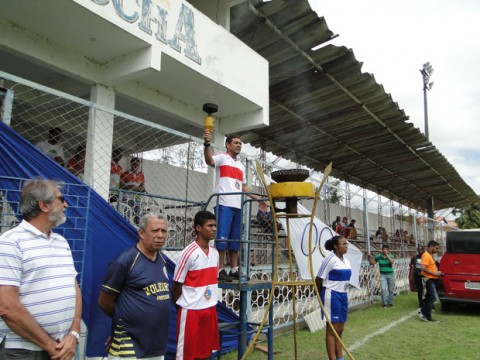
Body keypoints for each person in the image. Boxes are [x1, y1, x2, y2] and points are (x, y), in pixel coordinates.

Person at [0, 178, 82, 359]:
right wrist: (50, 346)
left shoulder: (61, 242)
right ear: (44, 205)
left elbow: (73, 287)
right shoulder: (10, 243)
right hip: (24, 352)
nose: (66, 205)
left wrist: (74, 333)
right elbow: (7, 306)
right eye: (61, 199)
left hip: (63, 347)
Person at [98, 213, 170, 359]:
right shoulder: (124, 261)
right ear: (141, 233)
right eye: (155, 230)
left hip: (156, 346)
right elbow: (104, 302)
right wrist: (124, 322)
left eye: (164, 231)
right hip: (129, 347)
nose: (160, 235)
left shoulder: (162, 259)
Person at [203, 131, 263, 280]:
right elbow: (209, 160)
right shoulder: (222, 158)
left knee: (235, 239)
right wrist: (206, 144)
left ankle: (234, 269)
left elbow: (244, 187)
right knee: (222, 239)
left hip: (237, 206)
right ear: (228, 145)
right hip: (223, 204)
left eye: (240, 144)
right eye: (236, 143)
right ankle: (219, 270)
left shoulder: (240, 165)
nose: (238, 146)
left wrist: (258, 199)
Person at [172, 210, 220, 360]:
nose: (214, 229)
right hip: (191, 311)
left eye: (215, 226)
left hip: (210, 309)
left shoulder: (215, 253)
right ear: (198, 228)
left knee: (205, 353)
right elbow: (176, 286)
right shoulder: (188, 253)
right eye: (210, 226)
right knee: (186, 355)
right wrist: (184, 305)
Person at [315, 236, 352, 360]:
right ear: (336, 246)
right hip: (332, 295)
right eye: (344, 244)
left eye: (347, 244)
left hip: (343, 295)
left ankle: (339, 357)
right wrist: (320, 296)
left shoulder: (346, 260)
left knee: (340, 330)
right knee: (332, 331)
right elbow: (318, 279)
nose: (346, 246)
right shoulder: (329, 259)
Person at [418, 240, 443, 323]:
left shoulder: (430, 255)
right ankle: (422, 311)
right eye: (436, 248)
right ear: (431, 247)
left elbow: (430, 267)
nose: (437, 250)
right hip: (428, 279)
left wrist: (438, 273)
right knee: (433, 297)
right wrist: (435, 273)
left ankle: (428, 316)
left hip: (432, 278)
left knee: (429, 297)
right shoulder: (426, 255)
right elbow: (423, 268)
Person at [120, 157, 146, 225]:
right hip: (127, 198)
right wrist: (130, 187)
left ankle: (137, 228)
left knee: (138, 215)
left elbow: (143, 188)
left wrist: (140, 189)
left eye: (137, 165)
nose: (136, 166)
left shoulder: (141, 175)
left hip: (138, 198)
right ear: (131, 164)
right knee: (127, 214)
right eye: (134, 164)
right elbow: (121, 185)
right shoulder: (125, 174)